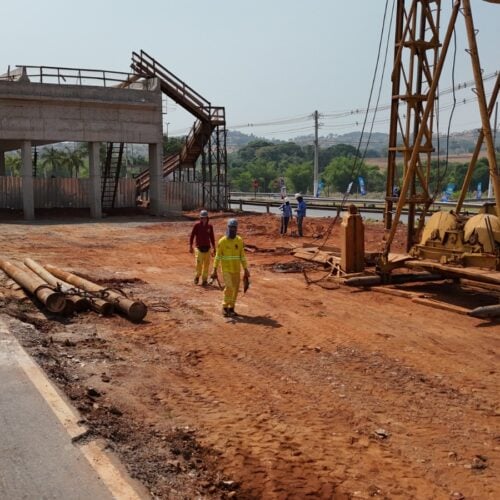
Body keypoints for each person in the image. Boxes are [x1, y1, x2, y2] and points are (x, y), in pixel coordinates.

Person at [210, 218, 250, 317]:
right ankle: (224, 307)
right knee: (229, 288)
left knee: (235, 289)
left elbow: (242, 256)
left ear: (236, 229)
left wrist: (246, 269)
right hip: (226, 269)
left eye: (234, 228)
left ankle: (231, 308)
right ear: (227, 228)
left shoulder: (239, 241)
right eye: (230, 227)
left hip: (236, 270)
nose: (232, 229)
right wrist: (214, 269)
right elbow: (218, 256)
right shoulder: (222, 241)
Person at [189, 210, 216, 285]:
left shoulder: (210, 226)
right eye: (202, 218)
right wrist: (190, 246)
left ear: (207, 218)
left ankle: (204, 280)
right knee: (199, 264)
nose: (204, 219)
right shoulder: (197, 226)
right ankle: (197, 276)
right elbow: (192, 236)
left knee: (206, 265)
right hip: (199, 248)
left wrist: (214, 248)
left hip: (207, 248)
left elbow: (212, 238)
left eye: (205, 218)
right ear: (200, 218)